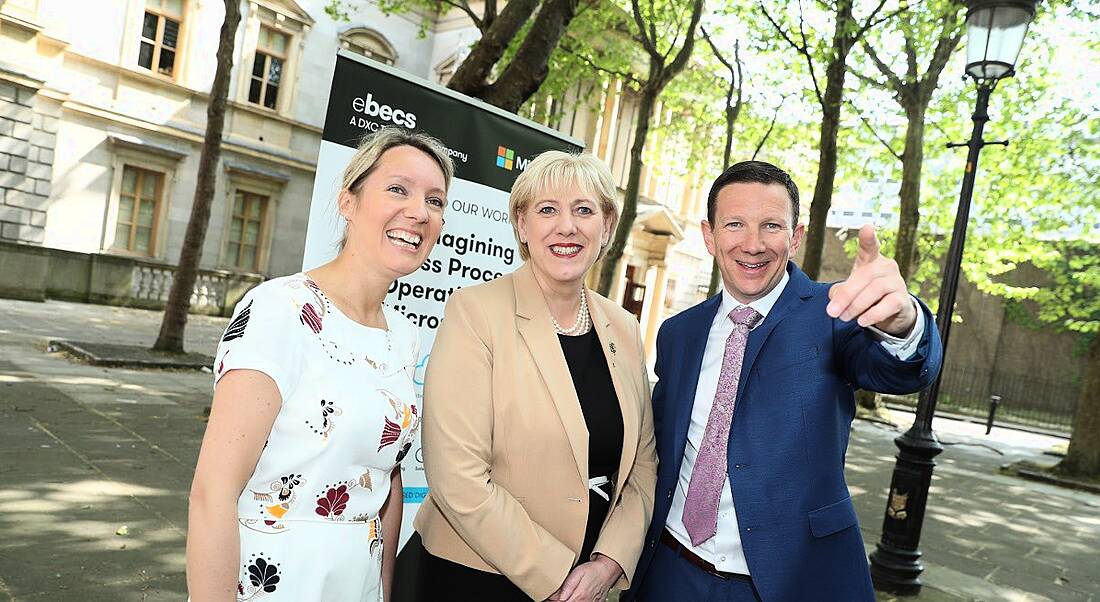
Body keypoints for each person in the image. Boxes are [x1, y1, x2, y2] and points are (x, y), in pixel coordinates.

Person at [627, 160, 944, 602]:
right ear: (709, 235)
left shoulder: (833, 315)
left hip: (787, 583)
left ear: (795, 238)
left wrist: (902, 321)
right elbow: (658, 449)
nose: (752, 244)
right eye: (734, 224)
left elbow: (904, 368)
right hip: (671, 574)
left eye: (771, 225)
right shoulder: (679, 333)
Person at [186, 127, 454, 601]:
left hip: (358, 581)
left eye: (435, 200)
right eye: (398, 189)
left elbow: (386, 482)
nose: (419, 212)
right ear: (348, 202)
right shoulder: (278, 309)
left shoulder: (405, 336)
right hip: (271, 577)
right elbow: (213, 491)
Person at [413, 151, 657, 602]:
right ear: (522, 226)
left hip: (590, 582)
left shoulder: (623, 326)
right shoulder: (476, 312)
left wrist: (609, 563)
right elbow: (457, 476)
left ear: (606, 227)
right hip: (476, 579)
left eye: (584, 210)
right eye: (547, 210)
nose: (567, 226)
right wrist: (557, 573)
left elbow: (643, 467)